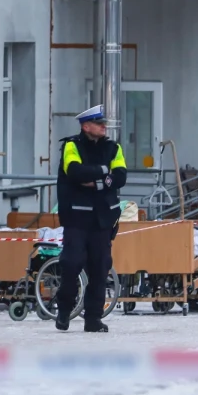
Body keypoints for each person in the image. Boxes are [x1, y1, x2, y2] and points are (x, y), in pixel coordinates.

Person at [54, 104, 127, 333]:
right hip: (76, 217)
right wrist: (105, 172)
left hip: (102, 219)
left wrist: (96, 177)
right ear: (86, 126)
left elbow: (121, 176)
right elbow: (75, 171)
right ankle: (64, 310)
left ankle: (93, 318)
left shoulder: (113, 148)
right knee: (71, 263)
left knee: (100, 267)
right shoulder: (71, 146)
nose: (104, 127)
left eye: (104, 123)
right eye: (99, 124)